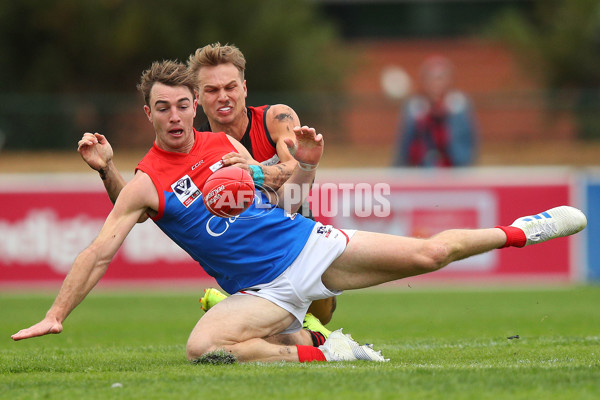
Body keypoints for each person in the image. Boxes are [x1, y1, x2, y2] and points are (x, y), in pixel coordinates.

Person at [12, 60, 587, 364]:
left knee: (431, 252)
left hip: (308, 247)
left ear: (194, 108)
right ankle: (325, 353)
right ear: (149, 113)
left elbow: (278, 183)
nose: (177, 116)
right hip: (259, 292)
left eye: (185, 105)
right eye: (163, 108)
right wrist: (57, 313)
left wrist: (275, 172)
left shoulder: (224, 146)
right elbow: (100, 248)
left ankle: (522, 230)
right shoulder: (143, 182)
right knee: (202, 347)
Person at [78, 42, 337, 327]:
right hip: (247, 250)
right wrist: (106, 169)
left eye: (231, 87)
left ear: (245, 88)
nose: (223, 97)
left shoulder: (275, 118)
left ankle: (230, 306)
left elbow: (295, 168)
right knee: (273, 326)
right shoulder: (194, 147)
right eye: (212, 90)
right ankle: (245, 306)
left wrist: (253, 173)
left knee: (322, 310)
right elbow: (138, 210)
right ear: (198, 97)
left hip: (293, 222)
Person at [393, 55, 478, 167]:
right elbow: (404, 147)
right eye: (431, 78)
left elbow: (468, 146)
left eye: (441, 78)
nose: (436, 83)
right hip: (422, 170)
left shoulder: (459, 107)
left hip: (454, 170)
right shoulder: (415, 108)